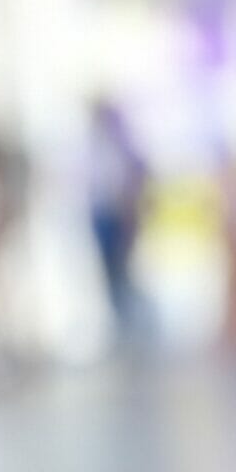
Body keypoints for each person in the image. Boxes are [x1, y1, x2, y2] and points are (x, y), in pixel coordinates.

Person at [87, 98, 148, 342]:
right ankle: (121, 323)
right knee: (109, 273)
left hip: (118, 216)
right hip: (102, 215)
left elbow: (131, 181)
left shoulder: (122, 145)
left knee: (121, 271)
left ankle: (131, 323)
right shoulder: (95, 145)